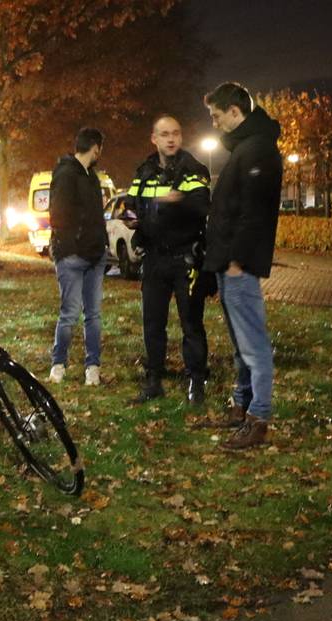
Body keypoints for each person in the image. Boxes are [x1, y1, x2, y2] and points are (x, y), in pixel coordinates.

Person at [198, 82, 283, 450]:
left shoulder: (258, 150)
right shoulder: (247, 149)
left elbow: (254, 212)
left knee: (253, 343)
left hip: (239, 264)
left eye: (217, 116)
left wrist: (236, 261)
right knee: (241, 343)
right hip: (229, 261)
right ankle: (241, 406)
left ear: (235, 111)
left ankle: (258, 417)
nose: (215, 124)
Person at [123, 115, 212, 406]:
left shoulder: (192, 169)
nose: (170, 139)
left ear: (181, 137)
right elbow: (130, 207)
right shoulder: (144, 171)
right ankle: (154, 381)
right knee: (153, 323)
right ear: (154, 138)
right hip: (155, 259)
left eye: (175, 133)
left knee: (191, 323)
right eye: (164, 134)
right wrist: (135, 226)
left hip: (185, 257)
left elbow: (202, 206)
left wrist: (177, 201)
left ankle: (196, 382)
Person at [46, 127, 109, 387]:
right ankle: (58, 365)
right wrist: (76, 243)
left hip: (93, 256)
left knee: (92, 315)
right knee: (70, 314)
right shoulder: (66, 175)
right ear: (95, 147)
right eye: (100, 148)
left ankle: (92, 367)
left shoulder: (90, 176)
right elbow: (59, 215)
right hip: (74, 255)